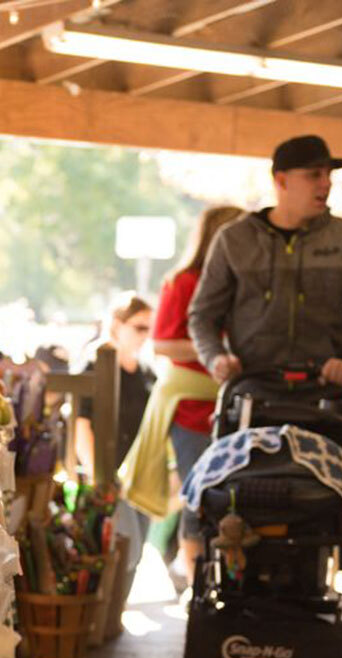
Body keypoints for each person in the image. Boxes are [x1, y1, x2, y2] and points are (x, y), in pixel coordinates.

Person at [188, 135, 342, 387]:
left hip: (326, 392)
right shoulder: (234, 239)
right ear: (281, 180)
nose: (326, 184)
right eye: (314, 175)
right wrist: (216, 358)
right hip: (252, 389)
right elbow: (202, 316)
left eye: (329, 175)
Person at [119, 206, 245, 584]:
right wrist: (215, 353)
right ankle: (197, 582)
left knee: (234, 499)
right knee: (199, 494)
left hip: (239, 407)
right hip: (191, 409)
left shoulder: (245, 285)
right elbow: (163, 344)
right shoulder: (183, 282)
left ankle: (227, 581)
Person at [75, 296, 155, 582]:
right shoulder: (96, 365)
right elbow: (81, 425)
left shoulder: (147, 373)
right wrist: (102, 478)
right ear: (118, 325)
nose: (146, 335)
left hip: (137, 480)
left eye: (150, 328)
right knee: (124, 553)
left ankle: (114, 617)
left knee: (134, 555)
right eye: (139, 327)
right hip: (108, 479)